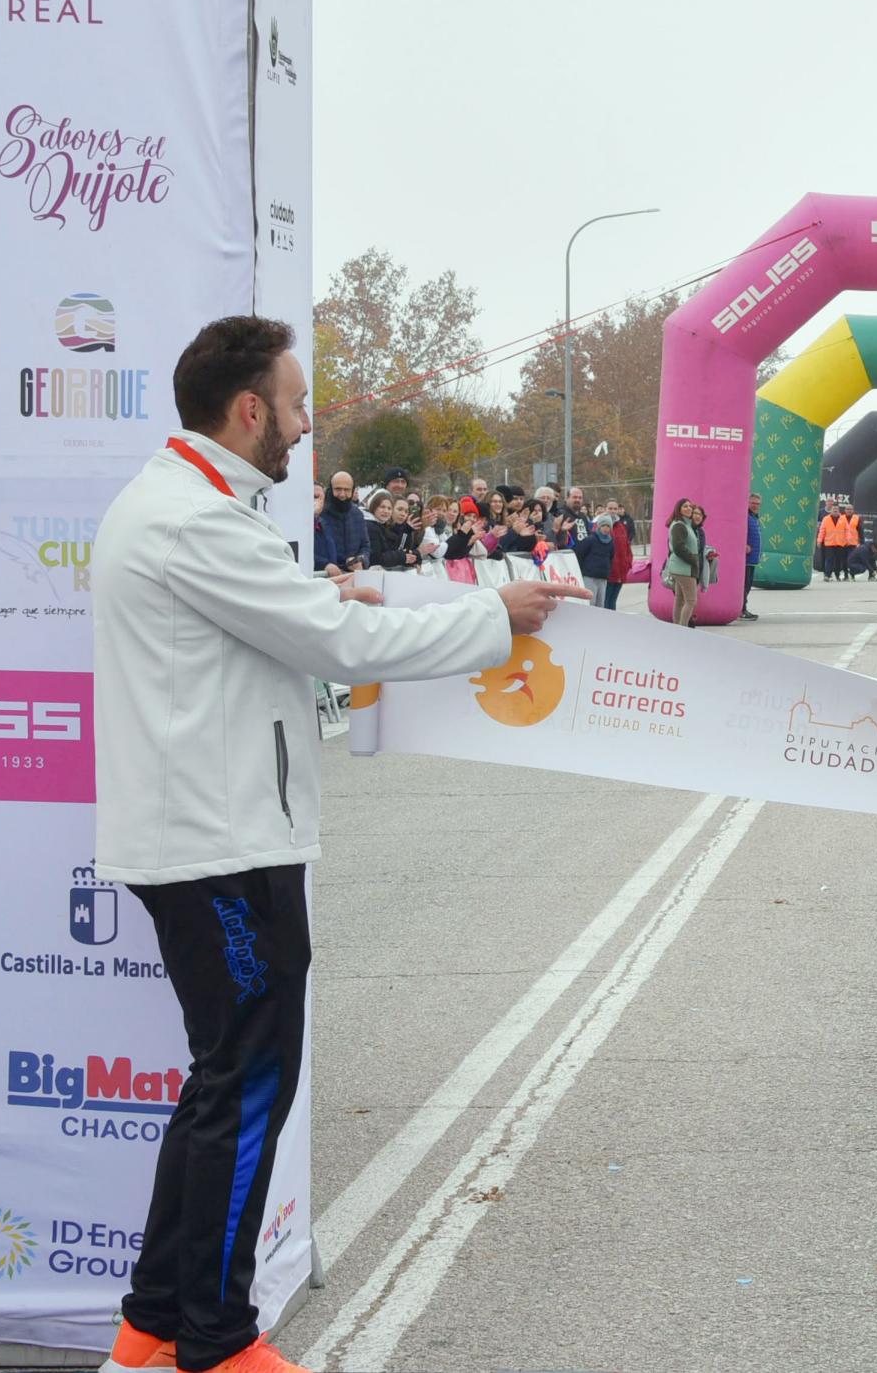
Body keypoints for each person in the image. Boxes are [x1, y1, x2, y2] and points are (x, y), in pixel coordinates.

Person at [92, 317, 577, 1373]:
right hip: (217, 840)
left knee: (223, 1074)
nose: (308, 425)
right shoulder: (195, 520)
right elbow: (337, 644)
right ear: (250, 408)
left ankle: (152, 1324)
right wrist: (492, 614)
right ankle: (214, 1342)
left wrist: (336, 593)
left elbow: (291, 620)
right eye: (300, 403)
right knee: (247, 1078)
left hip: (217, 827)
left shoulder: (193, 505)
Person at [311, 472, 367, 579]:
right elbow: (306, 548)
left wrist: (360, 561)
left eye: (346, 490)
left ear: (352, 491)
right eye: (338, 489)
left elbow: (365, 546)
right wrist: (324, 564)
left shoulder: (357, 514)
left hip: (352, 577)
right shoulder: (318, 514)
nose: (342, 494)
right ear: (330, 489)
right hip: (324, 578)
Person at [664, 498, 709, 624]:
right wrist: (693, 559)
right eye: (685, 506)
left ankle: (677, 627)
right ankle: (683, 628)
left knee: (680, 600)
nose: (689, 508)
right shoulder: (679, 525)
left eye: (690, 506)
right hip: (684, 568)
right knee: (691, 601)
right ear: (679, 509)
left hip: (681, 568)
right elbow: (678, 547)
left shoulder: (685, 525)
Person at [603, 499, 634, 610]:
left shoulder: (621, 526)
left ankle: (612, 623)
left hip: (621, 570)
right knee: (606, 601)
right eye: (610, 508)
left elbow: (626, 547)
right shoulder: (601, 525)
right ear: (605, 509)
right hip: (609, 571)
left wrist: (628, 563)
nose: (613, 511)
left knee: (613, 600)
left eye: (615, 509)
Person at [741, 492, 765, 620]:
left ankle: (743, 608)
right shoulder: (745, 516)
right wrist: (743, 545)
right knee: (744, 585)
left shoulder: (754, 518)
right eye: (753, 503)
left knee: (748, 584)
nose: (755, 506)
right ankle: (741, 609)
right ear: (748, 503)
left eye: (758, 504)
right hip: (745, 559)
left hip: (752, 559)